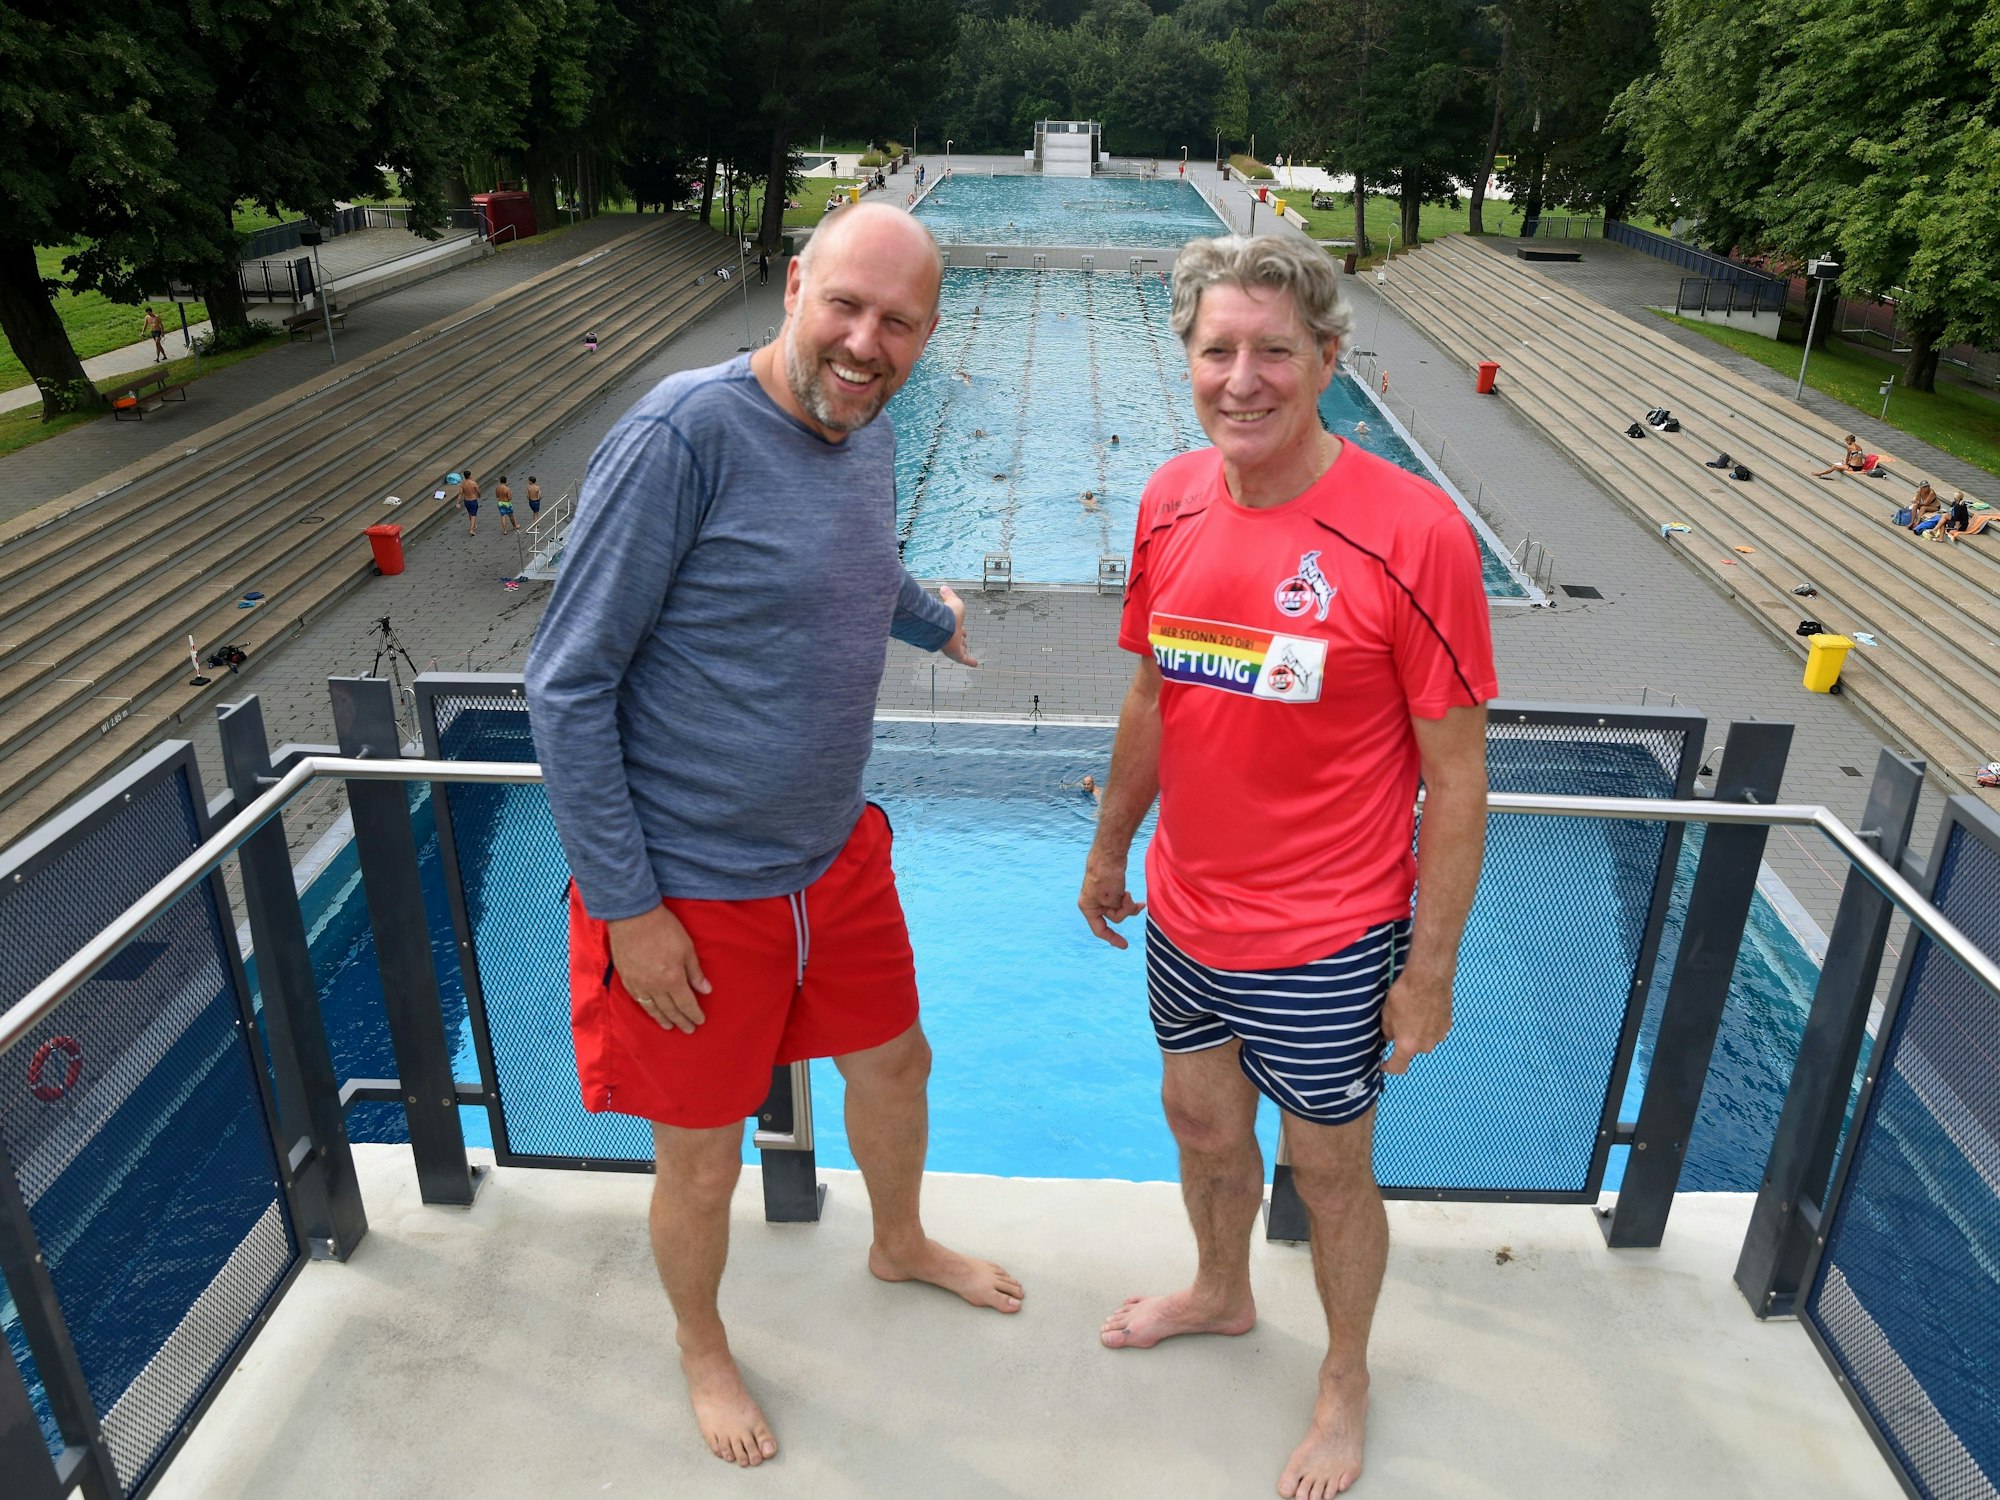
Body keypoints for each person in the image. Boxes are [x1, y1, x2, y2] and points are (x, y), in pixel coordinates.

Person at [524, 200, 1020, 1473]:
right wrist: (627, 909)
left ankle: (897, 1241)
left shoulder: (865, 425)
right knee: (700, 1163)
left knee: (896, 1066)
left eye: (897, 322)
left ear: (924, 332)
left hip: (830, 858)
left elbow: (848, 566)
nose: (865, 342)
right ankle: (701, 1346)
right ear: (794, 285)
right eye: (845, 307)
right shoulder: (680, 435)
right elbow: (566, 687)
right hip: (688, 892)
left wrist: (927, 617)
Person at [1078, 234, 1495, 1500]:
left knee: (1327, 1168)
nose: (1241, 378)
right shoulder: (1170, 500)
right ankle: (1218, 1291)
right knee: (1199, 1124)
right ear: (1187, 358)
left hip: (1328, 936)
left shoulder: (1409, 534)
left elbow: (1457, 776)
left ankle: (1345, 1376)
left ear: (1325, 358)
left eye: (1271, 350)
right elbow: (1154, 692)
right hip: (1189, 917)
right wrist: (1110, 848)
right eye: (1217, 350)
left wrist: (1426, 974)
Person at [458, 469, 481, 535]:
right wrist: (479, 495)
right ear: (470, 475)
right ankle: (471, 529)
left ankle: (473, 525)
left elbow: (460, 494)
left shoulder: (463, 484)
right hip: (473, 500)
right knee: (473, 515)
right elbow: (478, 491)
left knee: (470, 513)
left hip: (466, 501)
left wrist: (458, 502)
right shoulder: (473, 483)